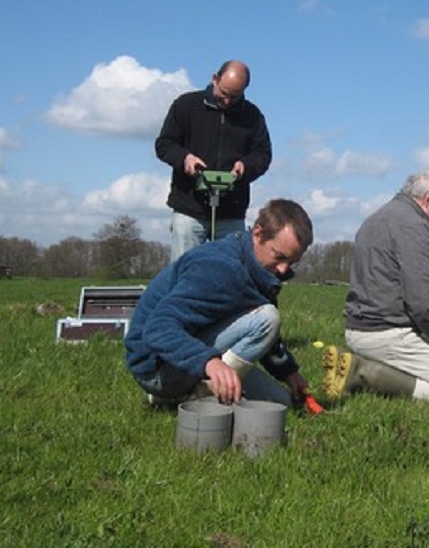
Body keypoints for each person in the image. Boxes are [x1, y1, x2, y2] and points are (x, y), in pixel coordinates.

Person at [124, 198, 313, 407]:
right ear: (258, 233)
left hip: (197, 353)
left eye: (292, 263)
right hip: (156, 369)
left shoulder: (260, 271)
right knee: (267, 318)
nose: (284, 270)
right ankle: (200, 399)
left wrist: (289, 373)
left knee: (281, 403)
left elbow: (264, 337)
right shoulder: (218, 269)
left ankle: (185, 394)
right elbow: (157, 328)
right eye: (279, 257)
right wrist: (209, 362)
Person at [322, 171, 429, 403]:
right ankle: (361, 372)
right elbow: (423, 300)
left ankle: (362, 366)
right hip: (387, 334)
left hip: (356, 330)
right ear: (428, 199)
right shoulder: (414, 228)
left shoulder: (374, 219)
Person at [155, 59, 272, 261]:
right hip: (189, 209)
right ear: (215, 79)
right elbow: (164, 144)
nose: (227, 101)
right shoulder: (186, 105)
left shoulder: (252, 116)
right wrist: (185, 158)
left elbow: (262, 154)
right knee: (185, 273)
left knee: (230, 276)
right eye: (224, 93)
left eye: (235, 97)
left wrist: (245, 166)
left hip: (231, 212)